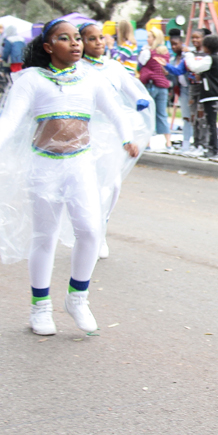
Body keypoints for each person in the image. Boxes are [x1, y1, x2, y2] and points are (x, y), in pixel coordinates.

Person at [0, 18, 141, 336]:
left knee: (89, 231)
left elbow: (116, 110)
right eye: (65, 38)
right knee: (44, 237)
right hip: (44, 166)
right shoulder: (31, 80)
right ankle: (40, 308)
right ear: (48, 47)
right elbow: (9, 120)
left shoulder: (91, 78)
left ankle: (78, 298)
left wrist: (126, 138)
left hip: (80, 164)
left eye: (77, 38)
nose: (75, 43)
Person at [78, 21, 154, 259]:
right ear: (81, 43)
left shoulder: (113, 67)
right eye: (92, 39)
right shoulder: (77, 68)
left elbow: (133, 92)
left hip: (111, 134)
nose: (99, 42)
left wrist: (140, 101)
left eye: (101, 37)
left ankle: (101, 227)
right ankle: (91, 231)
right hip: (84, 133)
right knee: (89, 185)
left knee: (112, 185)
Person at [183, 34, 218, 158]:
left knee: (210, 123)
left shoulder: (210, 58)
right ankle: (212, 147)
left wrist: (189, 54)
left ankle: (213, 148)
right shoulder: (215, 58)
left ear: (207, 47)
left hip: (211, 93)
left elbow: (195, 67)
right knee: (210, 122)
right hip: (213, 93)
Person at [138, 27, 173, 149]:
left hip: (151, 84)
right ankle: (168, 141)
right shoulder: (165, 52)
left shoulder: (147, 52)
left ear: (154, 38)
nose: (147, 39)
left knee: (148, 114)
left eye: (149, 37)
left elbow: (140, 64)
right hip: (163, 85)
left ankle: (147, 142)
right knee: (162, 113)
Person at [166, 29, 193, 153]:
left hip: (192, 89)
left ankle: (195, 142)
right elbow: (173, 73)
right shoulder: (173, 59)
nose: (173, 47)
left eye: (176, 44)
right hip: (182, 90)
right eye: (172, 44)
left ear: (182, 43)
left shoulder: (188, 55)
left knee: (194, 117)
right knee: (186, 117)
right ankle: (186, 142)